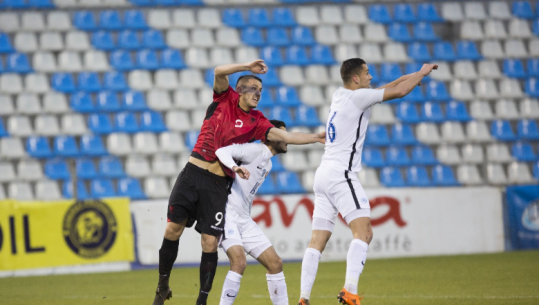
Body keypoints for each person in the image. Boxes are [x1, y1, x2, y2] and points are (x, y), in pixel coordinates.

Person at [152, 60, 325, 305]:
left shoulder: (258, 121)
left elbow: (286, 136)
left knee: (210, 242)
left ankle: (201, 301)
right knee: (172, 230)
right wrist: (247, 67)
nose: (258, 94)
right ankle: (162, 285)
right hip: (193, 172)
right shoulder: (224, 98)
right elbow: (218, 71)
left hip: (217, 185)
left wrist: (315, 138)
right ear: (241, 90)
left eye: (261, 91)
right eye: (253, 88)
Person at [297, 58, 438, 305]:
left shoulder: (340, 95)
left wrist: (417, 74)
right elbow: (400, 91)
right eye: (367, 72)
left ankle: (303, 298)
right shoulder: (357, 98)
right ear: (356, 79)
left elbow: (391, 86)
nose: (371, 77)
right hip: (342, 175)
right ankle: (349, 291)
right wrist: (424, 72)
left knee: (317, 240)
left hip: (323, 175)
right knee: (364, 232)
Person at [215, 119, 290, 305]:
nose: (287, 138)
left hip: (244, 219)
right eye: (283, 134)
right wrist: (235, 167)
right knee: (239, 263)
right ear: (270, 137)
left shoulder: (268, 165)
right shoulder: (254, 150)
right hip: (227, 215)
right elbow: (221, 151)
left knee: (275, 264)